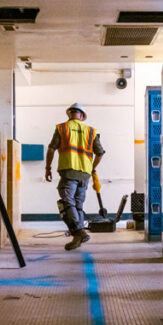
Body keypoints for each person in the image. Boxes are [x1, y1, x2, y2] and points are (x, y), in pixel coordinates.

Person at [45, 102, 105, 250]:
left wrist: (48, 168)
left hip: (68, 170)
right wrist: (92, 167)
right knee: (78, 205)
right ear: (82, 116)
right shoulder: (91, 131)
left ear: (69, 114)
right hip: (85, 173)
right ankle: (77, 238)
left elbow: (52, 149)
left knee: (66, 202)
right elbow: (100, 153)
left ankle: (79, 232)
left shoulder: (62, 128)